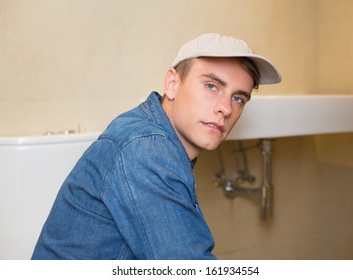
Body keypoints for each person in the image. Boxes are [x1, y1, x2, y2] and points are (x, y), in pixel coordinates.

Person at [31, 33, 281, 260]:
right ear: (172, 84)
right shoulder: (145, 149)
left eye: (238, 98)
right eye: (211, 86)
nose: (226, 108)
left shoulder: (149, 131)